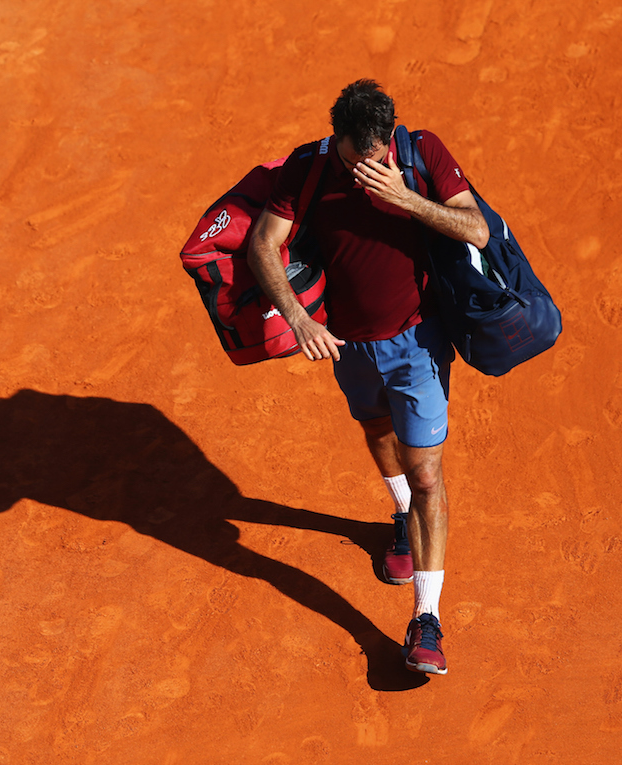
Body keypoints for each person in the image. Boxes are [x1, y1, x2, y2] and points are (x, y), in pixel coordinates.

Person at [247, 79, 489, 676]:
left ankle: (426, 620)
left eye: (377, 160)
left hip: (417, 342)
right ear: (337, 143)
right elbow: (262, 244)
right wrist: (299, 318)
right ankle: (402, 520)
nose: (369, 172)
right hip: (350, 346)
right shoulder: (308, 169)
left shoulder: (419, 153)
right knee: (377, 432)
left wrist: (405, 198)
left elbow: (476, 228)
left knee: (428, 473)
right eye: (359, 163)